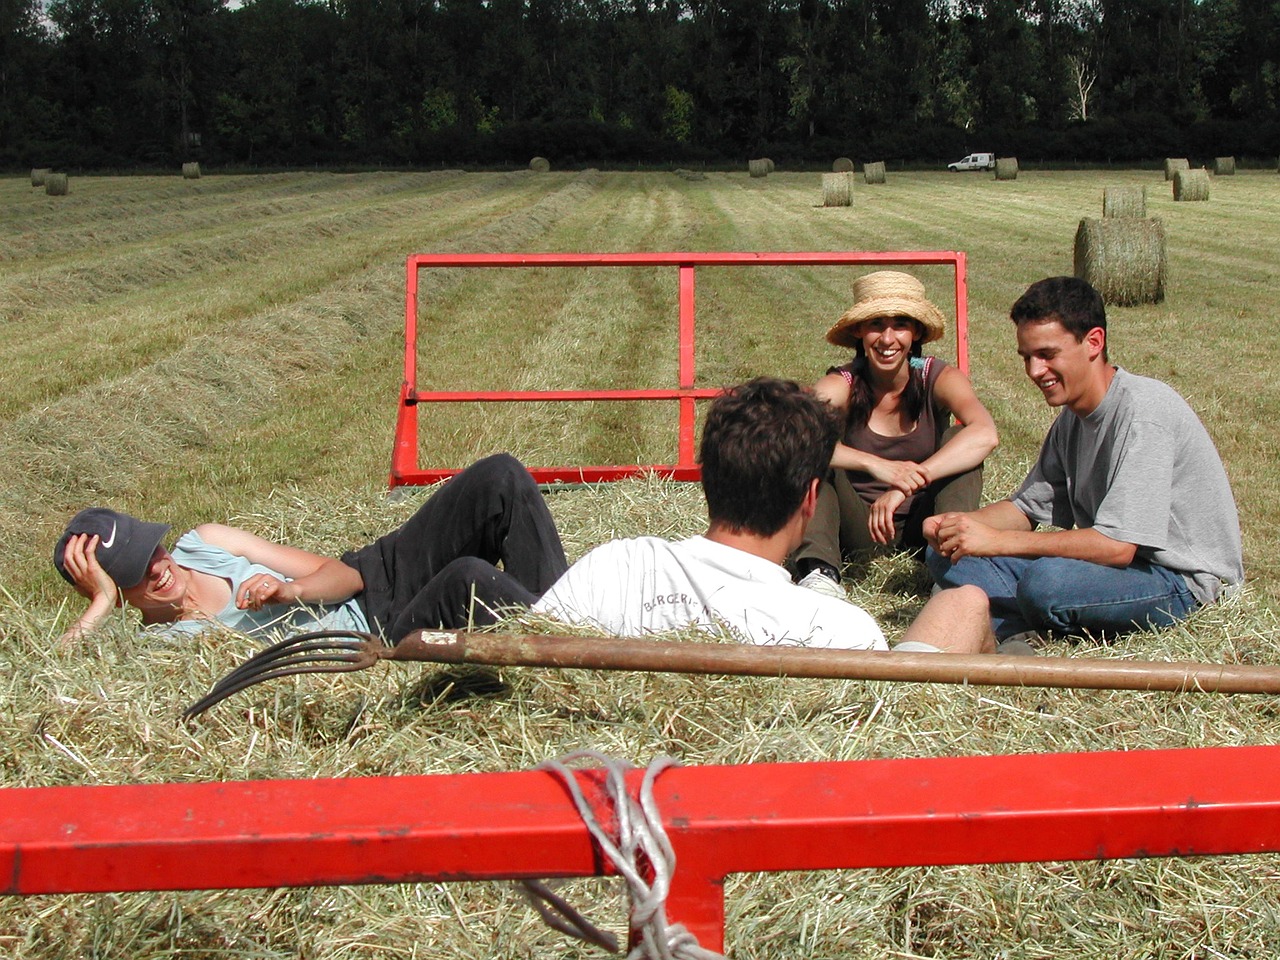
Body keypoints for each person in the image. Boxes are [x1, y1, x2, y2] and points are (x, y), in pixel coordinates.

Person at [534, 377, 995, 654]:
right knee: (966, 602)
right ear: (810, 501)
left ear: (706, 481)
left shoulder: (613, 568)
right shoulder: (840, 630)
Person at [924, 276, 1244, 643]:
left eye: (1046, 355)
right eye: (1027, 357)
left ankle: (1015, 618)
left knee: (1047, 584)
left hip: (1181, 582)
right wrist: (956, 525)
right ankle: (1025, 619)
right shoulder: (1072, 421)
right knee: (946, 556)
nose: (1034, 371)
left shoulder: (1144, 414)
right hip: (1109, 572)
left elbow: (1117, 547)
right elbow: (1026, 510)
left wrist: (994, 541)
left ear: (1094, 342)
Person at [53, 453, 568, 643]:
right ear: (117, 593)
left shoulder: (204, 543)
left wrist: (289, 591)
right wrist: (98, 602)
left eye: (151, 551)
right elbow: (59, 679)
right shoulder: (158, 648)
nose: (158, 569)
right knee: (469, 579)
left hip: (377, 576)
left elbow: (343, 575)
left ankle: (568, 625)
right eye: (135, 575)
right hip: (383, 638)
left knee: (499, 476)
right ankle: (570, 655)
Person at [791, 270, 998, 598]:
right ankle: (819, 572)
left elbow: (985, 434)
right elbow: (793, 436)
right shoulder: (843, 381)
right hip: (858, 525)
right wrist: (874, 464)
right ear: (859, 331)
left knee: (960, 442)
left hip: (927, 523)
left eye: (900, 324)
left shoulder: (936, 376)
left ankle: (951, 569)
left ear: (916, 331)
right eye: (876, 324)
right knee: (815, 454)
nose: (888, 339)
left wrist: (906, 483)